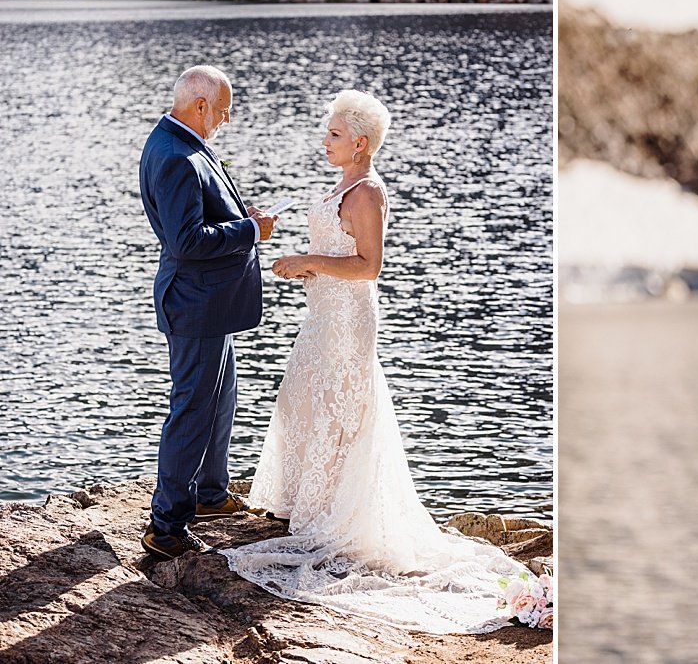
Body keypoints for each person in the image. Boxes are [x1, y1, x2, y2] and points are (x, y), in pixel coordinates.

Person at [218, 90, 525, 634]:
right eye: (327, 131)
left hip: (348, 318)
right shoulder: (343, 183)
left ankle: (329, 513)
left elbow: (368, 266)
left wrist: (310, 260)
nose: (324, 139)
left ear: (360, 143)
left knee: (340, 405)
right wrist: (311, 271)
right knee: (302, 399)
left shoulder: (367, 192)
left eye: (334, 134)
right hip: (323, 312)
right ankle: (302, 501)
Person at [138, 65, 280, 560]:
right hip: (194, 303)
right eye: (222, 111)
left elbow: (202, 217)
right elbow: (187, 242)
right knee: (193, 411)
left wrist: (242, 218)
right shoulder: (176, 155)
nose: (224, 121)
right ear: (200, 105)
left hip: (209, 302)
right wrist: (251, 232)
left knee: (221, 400)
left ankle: (210, 494)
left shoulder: (178, 139)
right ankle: (166, 527)